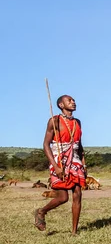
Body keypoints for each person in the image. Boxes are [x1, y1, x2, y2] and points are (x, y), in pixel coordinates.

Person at [34, 95, 87, 235]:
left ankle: (74, 232)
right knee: (63, 198)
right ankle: (41, 211)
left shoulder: (78, 122)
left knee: (78, 193)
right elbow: (46, 144)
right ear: (61, 105)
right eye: (69, 100)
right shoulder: (54, 121)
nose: (73, 102)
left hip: (75, 159)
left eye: (74, 100)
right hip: (59, 160)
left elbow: (79, 145)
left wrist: (84, 164)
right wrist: (56, 166)